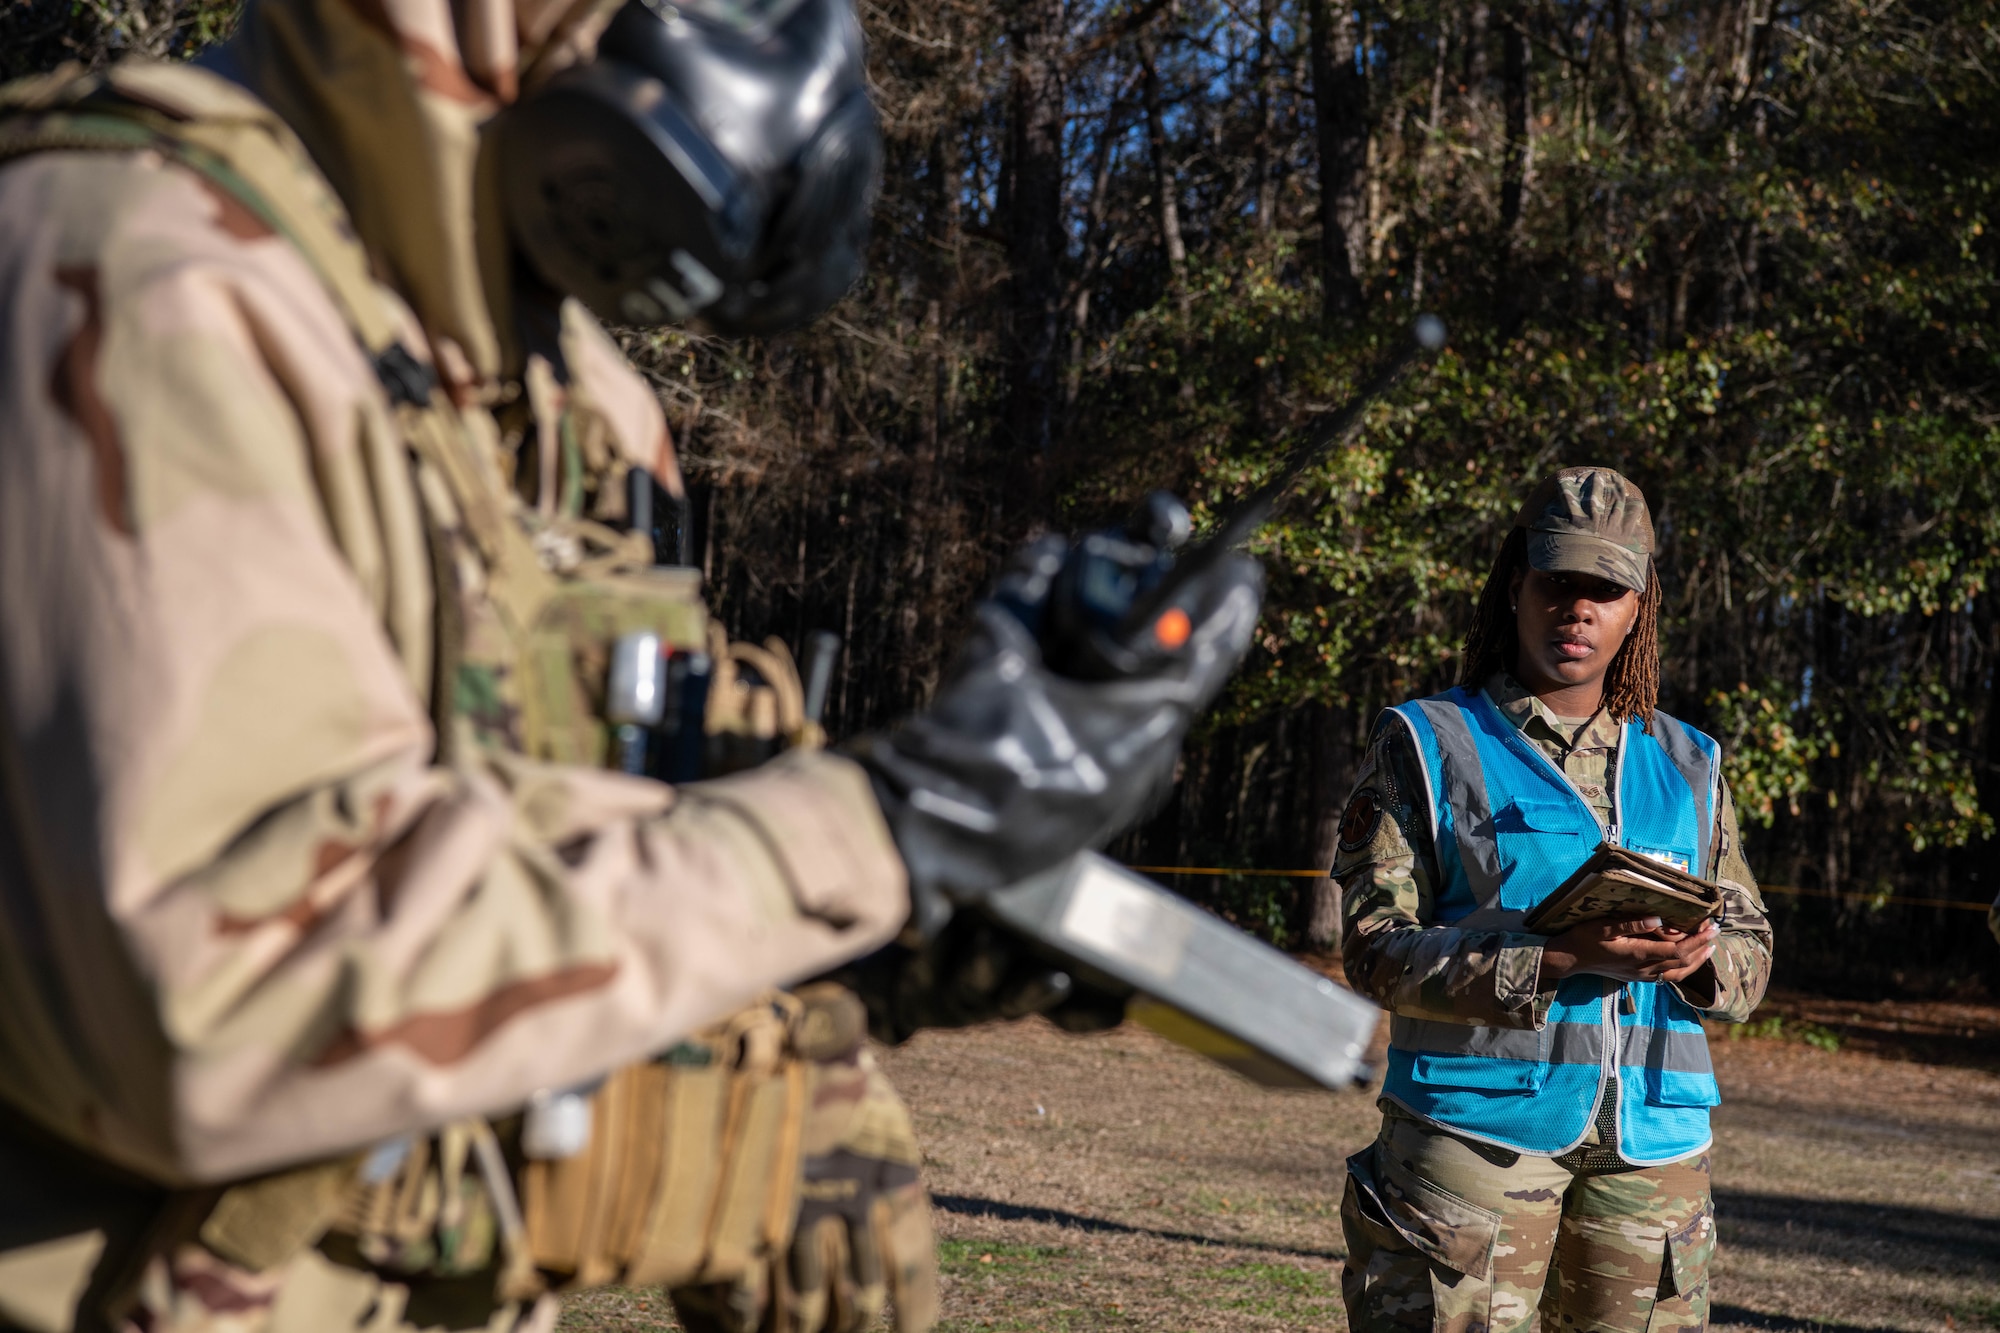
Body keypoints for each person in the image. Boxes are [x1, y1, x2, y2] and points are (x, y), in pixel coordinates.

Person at [0, 0, 1261, 1329]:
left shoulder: (566, 390)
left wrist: (874, 939)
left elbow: (580, 848)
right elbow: (216, 1004)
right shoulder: (135, 273)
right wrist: (864, 834)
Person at [1333, 467, 1772, 1333]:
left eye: (1604, 590)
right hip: (1473, 1141)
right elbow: (1373, 946)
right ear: (1516, 586)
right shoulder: (1428, 743)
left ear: (1638, 607)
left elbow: (1751, 943)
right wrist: (1562, 960)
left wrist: (1702, 959)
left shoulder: (1692, 762)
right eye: (1557, 583)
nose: (1578, 610)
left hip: (1653, 1151)